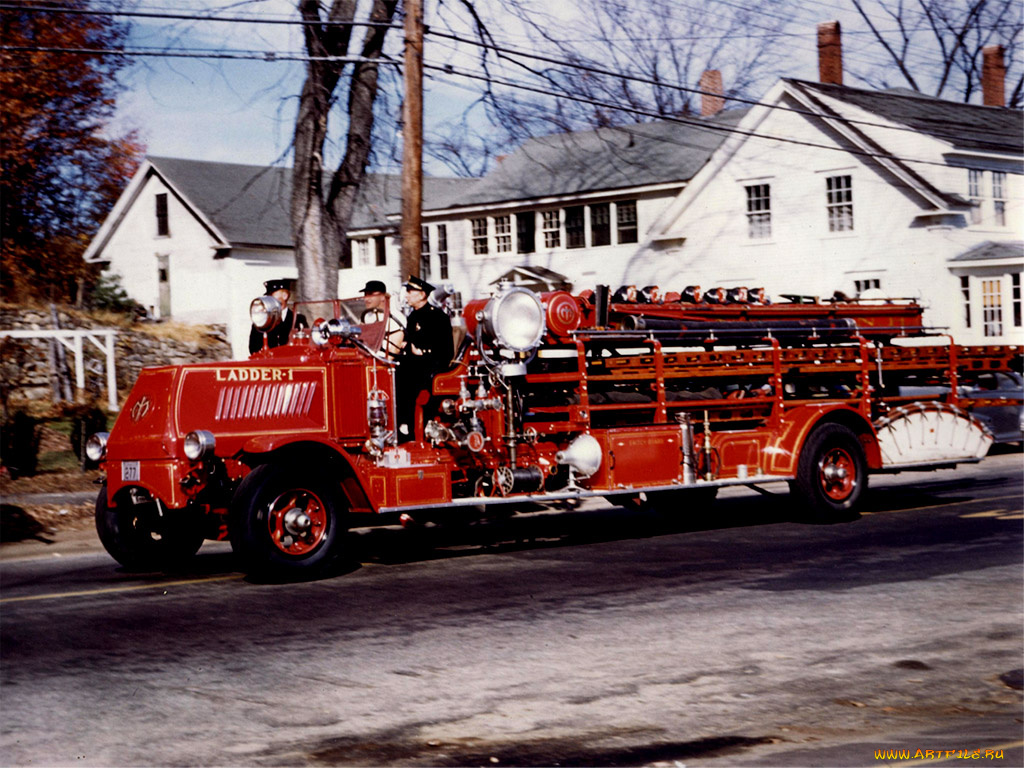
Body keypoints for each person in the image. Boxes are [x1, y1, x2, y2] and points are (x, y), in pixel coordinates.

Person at [396, 275, 454, 439]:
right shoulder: (412, 316)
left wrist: (420, 351)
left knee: (404, 372)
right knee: (395, 367)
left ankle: (406, 424)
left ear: (422, 294)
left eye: (409, 291)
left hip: (431, 366)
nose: (406, 295)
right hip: (414, 363)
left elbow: (445, 351)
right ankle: (399, 422)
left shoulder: (438, 317)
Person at [248, 278, 307, 354]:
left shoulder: (298, 319)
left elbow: (304, 346)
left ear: (285, 296)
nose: (269, 298)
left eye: (272, 294)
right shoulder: (262, 320)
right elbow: (253, 349)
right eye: (268, 295)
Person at [359, 279, 405, 358]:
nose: (366, 299)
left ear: (383, 297)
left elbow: (395, 348)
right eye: (365, 295)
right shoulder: (367, 316)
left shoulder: (395, 316)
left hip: (386, 362)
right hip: (367, 359)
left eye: (370, 295)